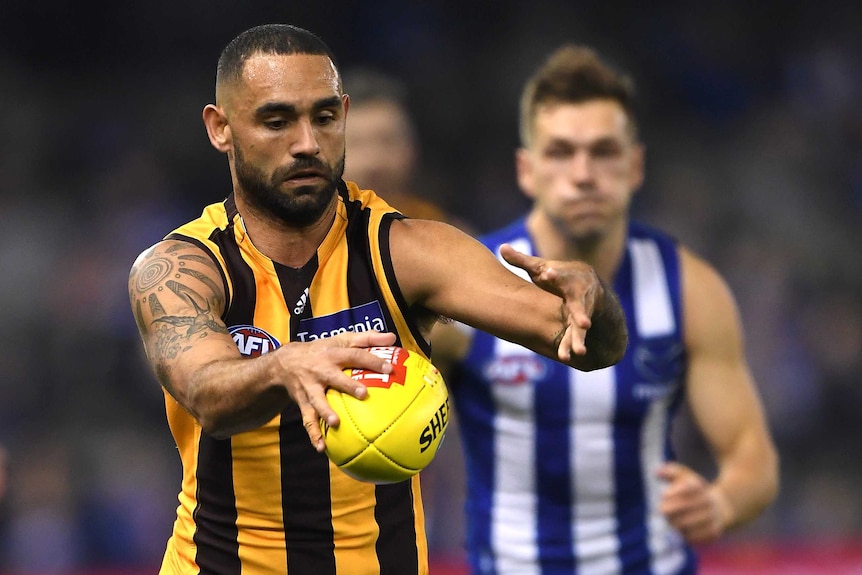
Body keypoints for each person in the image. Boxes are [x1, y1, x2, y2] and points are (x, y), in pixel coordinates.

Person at [127, 25, 628, 575]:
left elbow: (585, 342)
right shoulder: (180, 268)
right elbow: (206, 393)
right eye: (277, 121)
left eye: (324, 117)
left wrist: (593, 300)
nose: (307, 144)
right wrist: (288, 366)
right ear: (220, 128)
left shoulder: (410, 249)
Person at [434, 45, 780, 574]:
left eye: (603, 151)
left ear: (635, 164)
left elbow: (752, 459)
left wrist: (720, 503)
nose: (583, 173)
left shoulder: (688, 287)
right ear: (526, 171)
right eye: (560, 152)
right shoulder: (473, 282)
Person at [342, 67, 448, 222]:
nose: (373, 162)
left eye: (387, 141)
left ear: (412, 148)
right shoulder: (304, 238)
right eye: (356, 143)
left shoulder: (442, 232)